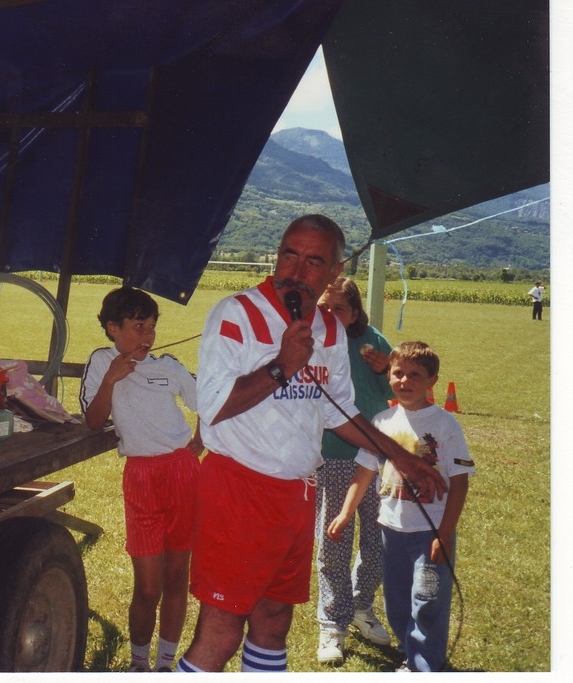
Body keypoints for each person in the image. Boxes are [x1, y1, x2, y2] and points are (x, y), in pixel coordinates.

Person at [177, 215, 446, 673]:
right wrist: (282, 364)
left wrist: (401, 458)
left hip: (297, 492)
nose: (295, 271)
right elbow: (215, 406)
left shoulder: (331, 328)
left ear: (334, 270)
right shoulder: (235, 313)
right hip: (239, 489)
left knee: (275, 621)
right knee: (221, 630)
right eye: (288, 255)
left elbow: (339, 412)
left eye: (313, 261)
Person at [328, 341, 473, 672]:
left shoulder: (445, 424)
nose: (404, 381)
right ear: (388, 375)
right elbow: (365, 471)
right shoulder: (381, 421)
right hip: (390, 531)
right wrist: (346, 511)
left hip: (429, 533)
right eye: (398, 373)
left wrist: (444, 534)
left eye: (415, 375)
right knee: (396, 601)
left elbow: (460, 483)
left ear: (432, 381)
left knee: (427, 601)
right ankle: (412, 654)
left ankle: (425, 666)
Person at [80, 285, 204, 672]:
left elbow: (208, 404)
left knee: (176, 577)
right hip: (142, 476)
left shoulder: (167, 365)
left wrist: (196, 445)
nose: (147, 336)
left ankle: (165, 665)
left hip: (183, 472)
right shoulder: (102, 362)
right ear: (113, 328)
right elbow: (93, 420)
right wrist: (111, 379)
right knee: (148, 586)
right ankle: (138, 664)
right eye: (138, 326)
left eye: (151, 327)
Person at [313, 277, 395, 664]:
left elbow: (410, 386)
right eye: (324, 308)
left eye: (339, 309)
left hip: (377, 457)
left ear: (356, 313)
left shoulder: (373, 341)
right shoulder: (311, 339)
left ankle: (363, 606)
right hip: (332, 454)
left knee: (378, 540)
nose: (329, 316)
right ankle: (333, 622)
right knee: (334, 541)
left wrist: (386, 367)